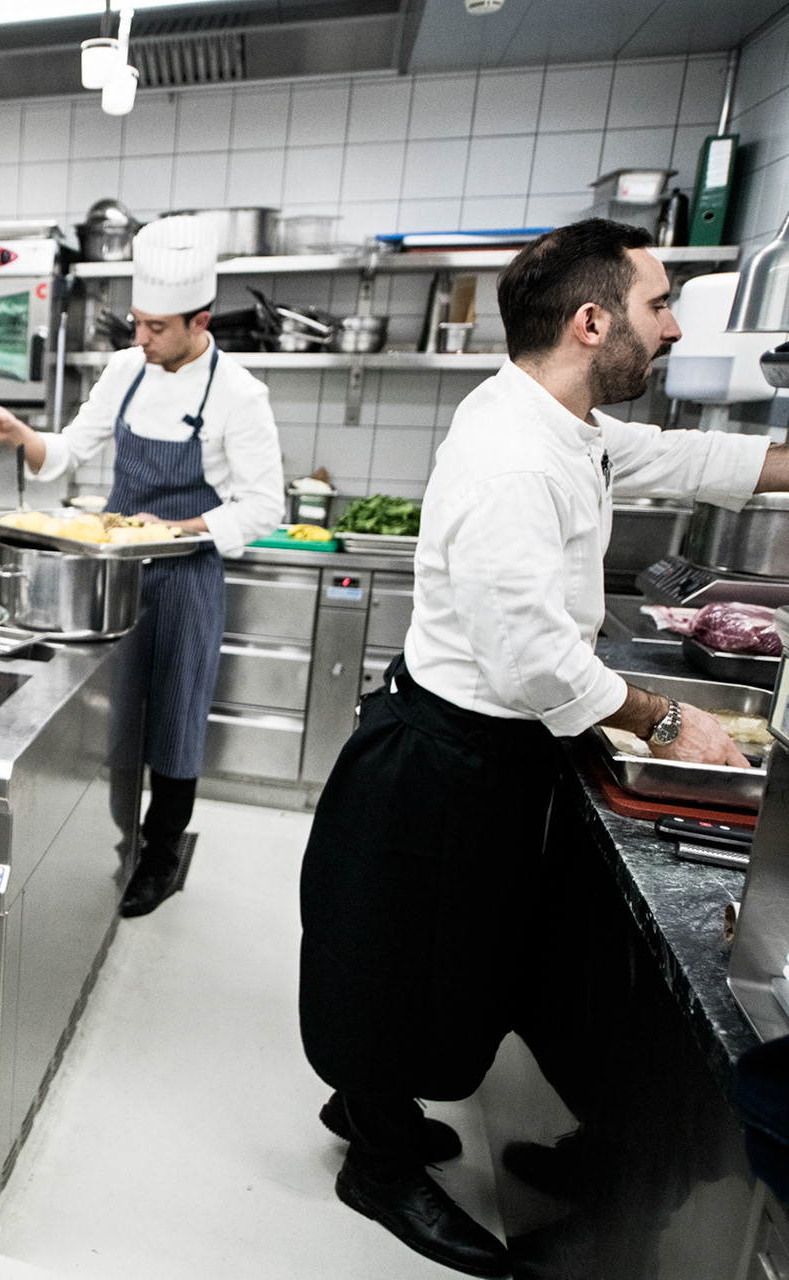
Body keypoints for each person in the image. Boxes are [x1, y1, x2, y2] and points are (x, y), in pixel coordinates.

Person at [298, 219, 789, 1277]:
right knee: (401, 961)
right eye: (660, 305)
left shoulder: (564, 421)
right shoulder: (511, 457)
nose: (672, 329)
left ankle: (380, 1108)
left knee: (452, 959)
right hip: (445, 757)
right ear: (592, 321)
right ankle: (376, 1161)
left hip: (491, 755)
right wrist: (666, 719)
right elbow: (529, 658)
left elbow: (685, 456)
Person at [0, 216, 284, 917]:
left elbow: (265, 507)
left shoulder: (238, 394)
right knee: (104, 710)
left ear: (200, 322)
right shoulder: (124, 371)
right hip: (113, 573)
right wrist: (20, 433)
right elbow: (66, 453)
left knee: (175, 714)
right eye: (137, 322)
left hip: (186, 577)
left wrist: (175, 527)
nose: (139, 337)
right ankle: (98, 834)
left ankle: (161, 851)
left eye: (156, 327)